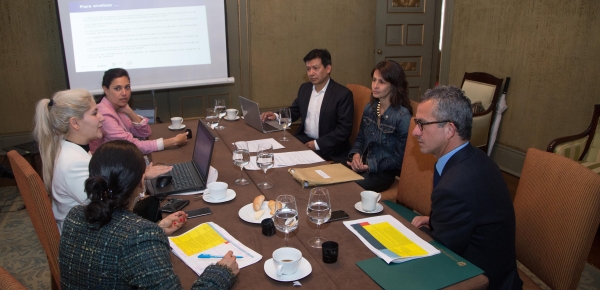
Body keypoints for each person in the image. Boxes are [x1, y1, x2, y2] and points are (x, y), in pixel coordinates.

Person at [59, 140, 239, 289]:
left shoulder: (74, 216)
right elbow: (127, 241)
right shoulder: (140, 237)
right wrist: (221, 273)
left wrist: (156, 228)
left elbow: (109, 243)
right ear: (140, 182)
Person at [410, 86, 522, 289]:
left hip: (480, 281)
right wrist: (440, 219)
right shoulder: (474, 158)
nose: (415, 131)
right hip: (499, 269)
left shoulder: (456, 186)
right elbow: (471, 214)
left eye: (422, 124)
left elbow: (440, 254)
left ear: (450, 130)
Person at [32, 89, 177, 233]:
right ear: (75, 123)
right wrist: (140, 179)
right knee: (152, 206)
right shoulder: (73, 164)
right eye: (95, 113)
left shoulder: (72, 148)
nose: (102, 117)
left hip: (91, 226)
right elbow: (110, 213)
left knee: (152, 205)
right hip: (89, 238)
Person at [261, 49, 354, 162]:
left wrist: (317, 144)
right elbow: (295, 111)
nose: (311, 73)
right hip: (304, 140)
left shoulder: (342, 94)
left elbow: (343, 130)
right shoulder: (305, 88)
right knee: (273, 152)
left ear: (328, 68)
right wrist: (276, 116)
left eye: (315, 68)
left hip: (328, 148)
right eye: (308, 69)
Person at [346, 60, 412, 192]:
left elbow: (399, 159)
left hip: (382, 173)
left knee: (347, 188)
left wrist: (370, 166)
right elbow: (360, 138)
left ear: (394, 85)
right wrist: (356, 155)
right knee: (330, 174)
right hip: (363, 163)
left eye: (381, 82)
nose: (375, 86)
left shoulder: (402, 116)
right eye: (374, 80)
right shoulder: (370, 108)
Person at [89, 68, 188, 154]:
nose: (124, 93)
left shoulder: (117, 107)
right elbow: (132, 146)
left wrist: (128, 111)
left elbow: (145, 132)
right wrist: (173, 141)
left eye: (127, 87)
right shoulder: (105, 114)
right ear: (105, 89)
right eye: (117, 88)